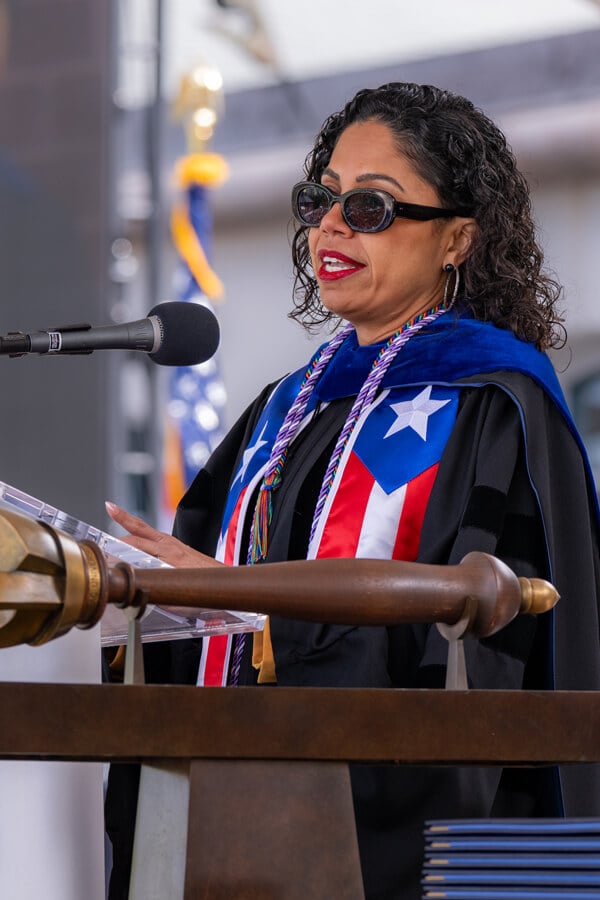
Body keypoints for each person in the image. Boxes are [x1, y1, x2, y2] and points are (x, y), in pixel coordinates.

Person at [105, 82, 600, 900]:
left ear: (457, 239)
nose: (331, 226)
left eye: (371, 207)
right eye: (321, 199)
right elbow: (211, 607)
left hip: (409, 836)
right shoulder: (284, 408)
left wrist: (241, 604)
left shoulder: (495, 403)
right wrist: (155, 598)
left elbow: (492, 652)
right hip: (247, 798)